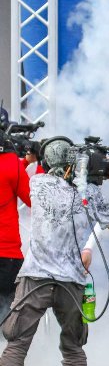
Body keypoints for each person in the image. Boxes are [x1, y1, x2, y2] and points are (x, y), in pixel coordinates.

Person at [0, 137, 109, 366]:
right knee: (73, 347)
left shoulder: (38, 183)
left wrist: (28, 153)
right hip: (72, 281)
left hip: (35, 278)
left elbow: (22, 168)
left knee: (16, 345)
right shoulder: (90, 193)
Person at [0, 124, 34, 324]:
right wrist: (32, 164)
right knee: (6, 318)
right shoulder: (12, 164)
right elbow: (32, 200)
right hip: (7, 254)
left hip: (7, 254)